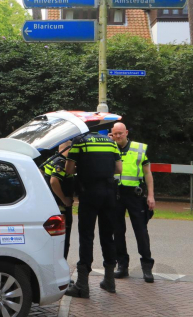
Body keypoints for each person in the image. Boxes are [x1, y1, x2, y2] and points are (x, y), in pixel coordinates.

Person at [64, 131, 122, 298]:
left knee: (86, 236)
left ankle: (82, 285)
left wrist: (81, 166)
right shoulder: (110, 143)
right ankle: (109, 281)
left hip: (89, 193)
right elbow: (119, 168)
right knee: (107, 235)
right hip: (109, 194)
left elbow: (69, 170)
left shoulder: (80, 142)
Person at [109, 122, 156, 283]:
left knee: (141, 231)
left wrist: (151, 195)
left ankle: (147, 267)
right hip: (116, 195)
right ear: (111, 134)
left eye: (121, 133)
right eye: (115, 134)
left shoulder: (139, 148)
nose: (118, 136)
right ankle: (122, 266)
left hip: (135, 195)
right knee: (118, 232)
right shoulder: (109, 148)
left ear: (127, 132)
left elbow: (148, 173)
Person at [42, 142, 74, 259]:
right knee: (63, 241)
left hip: (51, 205)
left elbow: (40, 171)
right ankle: (61, 269)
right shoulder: (61, 162)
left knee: (53, 240)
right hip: (61, 207)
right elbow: (54, 181)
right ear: (68, 149)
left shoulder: (52, 158)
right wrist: (64, 199)